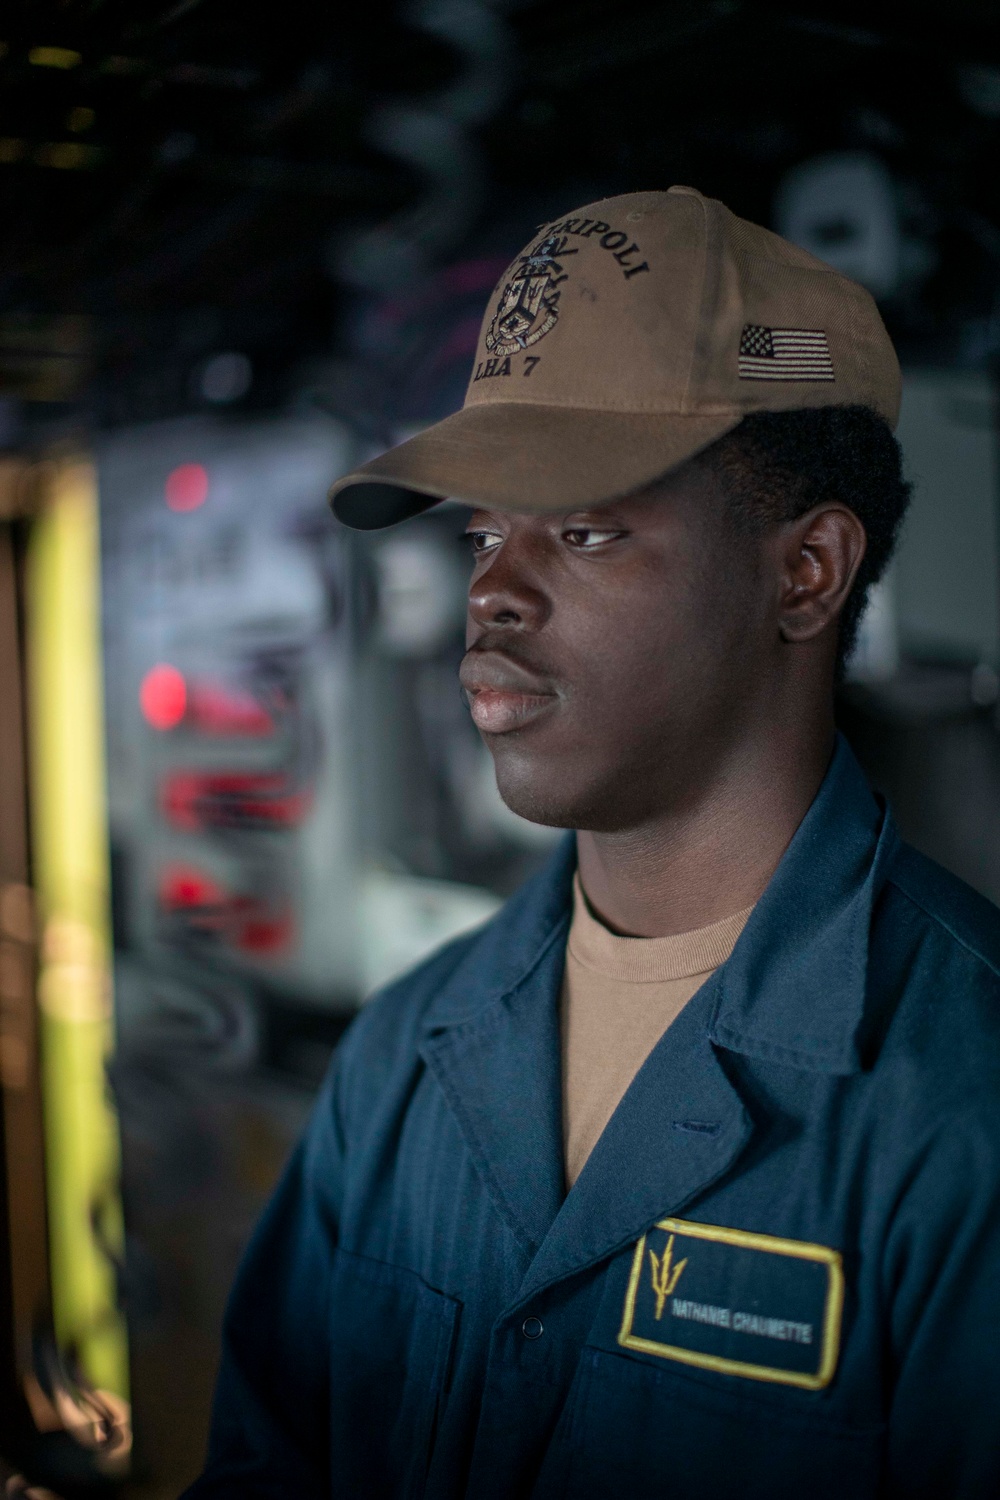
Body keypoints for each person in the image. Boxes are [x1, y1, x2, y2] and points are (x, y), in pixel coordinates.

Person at [184, 188, 1000, 1500]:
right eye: (482, 533)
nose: (493, 588)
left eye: (584, 528)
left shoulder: (962, 1111)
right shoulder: (407, 1058)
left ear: (806, 574)